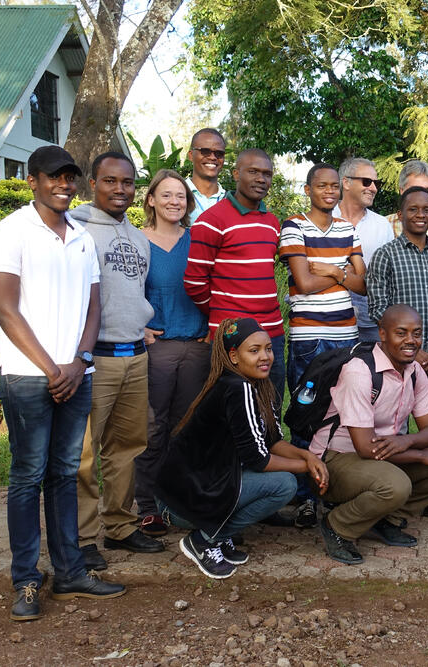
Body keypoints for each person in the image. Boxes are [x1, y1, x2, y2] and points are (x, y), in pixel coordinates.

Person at [0, 146, 125, 621]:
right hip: (28, 378)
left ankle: (69, 573)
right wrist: (51, 368)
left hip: (76, 373)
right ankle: (26, 580)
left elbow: (93, 308)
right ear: (33, 181)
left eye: (70, 178)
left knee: (66, 472)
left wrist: (81, 360)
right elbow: (6, 309)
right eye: (54, 178)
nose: (64, 185)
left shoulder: (82, 238)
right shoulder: (9, 232)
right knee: (28, 475)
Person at [155, 318, 328, 578]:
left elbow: (273, 442)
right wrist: (307, 467)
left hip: (204, 489)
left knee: (282, 478)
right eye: (254, 350)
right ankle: (205, 539)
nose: (265, 356)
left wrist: (308, 456)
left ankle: (215, 535)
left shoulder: (258, 386)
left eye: (268, 349)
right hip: (179, 503)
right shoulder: (238, 388)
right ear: (234, 356)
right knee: (284, 485)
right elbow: (259, 460)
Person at [311, 305, 428, 564]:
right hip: (336, 459)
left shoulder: (415, 371)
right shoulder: (359, 371)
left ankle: (385, 519)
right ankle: (337, 525)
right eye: (401, 333)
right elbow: (365, 448)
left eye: (416, 333)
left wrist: (406, 441)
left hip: (385, 453)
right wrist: (419, 455)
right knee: (396, 484)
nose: (411, 341)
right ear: (382, 334)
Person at [71, 152, 163, 571]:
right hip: (95, 359)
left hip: (134, 355)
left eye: (127, 183)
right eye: (110, 181)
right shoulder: (77, 226)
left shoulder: (139, 237)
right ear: (94, 183)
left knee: (126, 447)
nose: (120, 189)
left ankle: (121, 526)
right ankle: (83, 538)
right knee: (84, 454)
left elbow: (130, 295)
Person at [367, 186, 428, 523]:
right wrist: (415, 351)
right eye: (413, 209)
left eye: (427, 209)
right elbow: (379, 308)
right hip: (398, 361)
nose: (420, 215)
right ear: (401, 214)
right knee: (393, 426)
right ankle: (389, 490)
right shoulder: (385, 255)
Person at [280, 163, 366, 528]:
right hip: (308, 337)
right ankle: (304, 498)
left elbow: (362, 285)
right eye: (321, 186)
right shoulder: (294, 226)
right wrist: (338, 272)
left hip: (347, 335)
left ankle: (333, 489)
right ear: (308, 189)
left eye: (334, 186)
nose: (329, 191)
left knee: (341, 415)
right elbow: (302, 280)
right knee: (306, 414)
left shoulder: (348, 228)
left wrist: (327, 271)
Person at [133, 170, 209, 538]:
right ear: (151, 200)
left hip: (195, 347)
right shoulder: (137, 241)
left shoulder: (197, 241)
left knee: (187, 427)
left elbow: (213, 286)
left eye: (180, 195)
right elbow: (122, 289)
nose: (174, 201)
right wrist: (139, 327)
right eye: (166, 195)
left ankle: (178, 501)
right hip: (157, 349)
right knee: (154, 427)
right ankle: (147, 505)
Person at [184, 148, 286, 402]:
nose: (261, 179)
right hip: (233, 335)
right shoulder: (211, 221)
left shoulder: (272, 222)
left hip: (272, 332)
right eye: (253, 172)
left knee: (271, 408)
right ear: (236, 173)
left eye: (267, 174)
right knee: (232, 414)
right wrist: (222, 314)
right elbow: (194, 281)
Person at [335, 157, 394, 343]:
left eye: (376, 183)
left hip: (370, 319)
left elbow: (388, 277)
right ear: (346, 182)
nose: (374, 188)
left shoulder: (382, 225)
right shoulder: (323, 219)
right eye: (367, 181)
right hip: (329, 317)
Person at [187, 128, 227, 224]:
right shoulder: (175, 195)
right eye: (205, 151)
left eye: (219, 153)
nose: (212, 157)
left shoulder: (231, 200)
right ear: (191, 155)